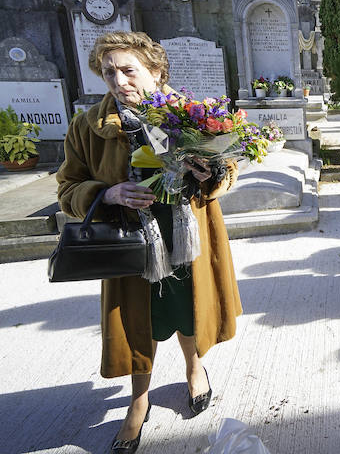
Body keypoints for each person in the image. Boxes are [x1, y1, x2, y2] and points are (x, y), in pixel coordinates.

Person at [56, 31, 242, 453]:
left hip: (188, 234)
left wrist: (207, 173)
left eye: (128, 70)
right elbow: (67, 187)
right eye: (109, 72)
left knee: (188, 307)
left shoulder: (190, 115)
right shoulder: (89, 127)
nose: (119, 80)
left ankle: (195, 368)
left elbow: (227, 169)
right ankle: (139, 400)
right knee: (140, 320)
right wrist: (107, 193)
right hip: (129, 242)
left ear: (156, 72)